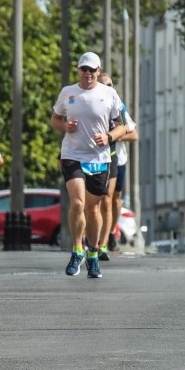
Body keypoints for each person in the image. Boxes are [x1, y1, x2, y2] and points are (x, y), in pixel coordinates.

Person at [51, 51, 126, 279]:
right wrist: (65, 126)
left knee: (93, 209)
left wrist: (109, 137)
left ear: (98, 71)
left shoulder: (109, 93)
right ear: (78, 70)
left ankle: (93, 255)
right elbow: (55, 119)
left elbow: (122, 126)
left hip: (99, 158)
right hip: (73, 154)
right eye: (84, 69)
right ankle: (77, 250)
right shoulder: (68, 93)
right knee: (77, 202)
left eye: (92, 70)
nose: (88, 74)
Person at [97, 72, 138, 260]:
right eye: (104, 85)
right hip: (98, 158)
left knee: (115, 199)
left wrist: (114, 135)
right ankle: (100, 240)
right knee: (104, 199)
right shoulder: (93, 103)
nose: (108, 88)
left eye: (110, 85)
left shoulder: (118, 105)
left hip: (118, 158)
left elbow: (134, 134)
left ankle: (112, 230)